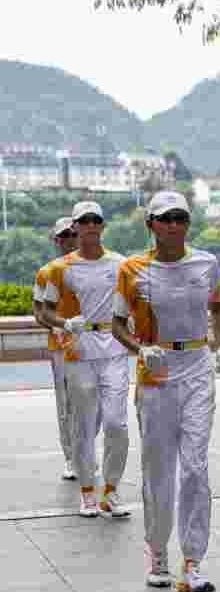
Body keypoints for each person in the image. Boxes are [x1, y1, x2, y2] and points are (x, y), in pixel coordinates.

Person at [112, 190, 220, 592]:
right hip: (156, 373)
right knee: (159, 469)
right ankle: (158, 551)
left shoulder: (207, 264)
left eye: (181, 218)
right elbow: (117, 324)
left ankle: (193, 562)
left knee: (195, 467)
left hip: (197, 367)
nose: (174, 225)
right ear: (151, 225)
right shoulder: (131, 269)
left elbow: (217, 308)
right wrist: (139, 348)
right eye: (165, 218)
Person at [39, 202, 131, 519]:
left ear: (102, 226)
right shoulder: (60, 268)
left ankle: (111, 490)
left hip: (114, 348)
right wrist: (65, 323)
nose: (90, 225)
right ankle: (88, 491)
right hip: (79, 350)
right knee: (84, 424)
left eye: (96, 220)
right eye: (84, 221)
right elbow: (44, 310)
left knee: (117, 423)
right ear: (75, 227)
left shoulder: (121, 264)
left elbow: (135, 302)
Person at [32, 217, 79, 481]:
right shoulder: (46, 272)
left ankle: (84, 451)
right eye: (64, 236)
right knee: (66, 405)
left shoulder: (94, 268)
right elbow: (39, 312)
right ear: (56, 240)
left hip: (92, 345)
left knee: (93, 404)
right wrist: (57, 326)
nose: (70, 240)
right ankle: (71, 458)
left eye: (73, 234)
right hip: (61, 347)